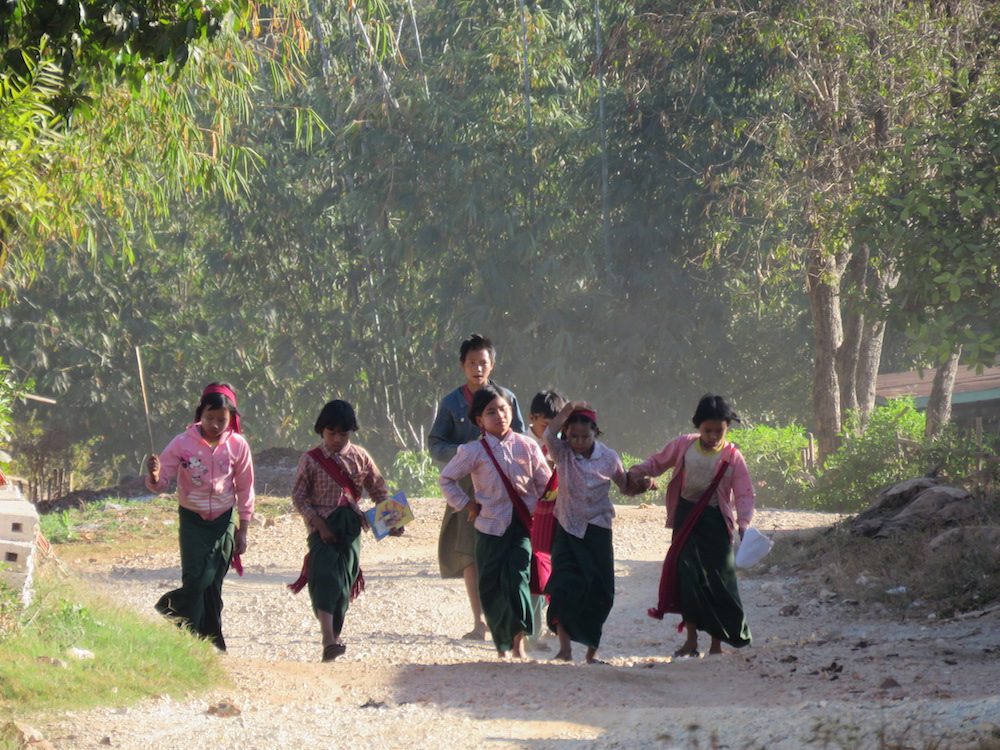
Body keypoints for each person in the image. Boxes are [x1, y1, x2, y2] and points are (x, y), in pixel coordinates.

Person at [627, 394, 754, 658]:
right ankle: (691, 641)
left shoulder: (733, 457)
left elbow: (744, 494)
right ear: (698, 426)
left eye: (719, 431)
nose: (713, 436)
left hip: (716, 522)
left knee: (718, 582)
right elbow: (657, 462)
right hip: (686, 519)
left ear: (727, 428)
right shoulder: (684, 445)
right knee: (689, 579)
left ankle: (716, 645)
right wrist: (637, 472)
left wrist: (743, 524)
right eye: (708, 430)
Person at [439, 384, 550, 659]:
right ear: (479, 420)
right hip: (488, 529)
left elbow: (545, 484)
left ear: (511, 411)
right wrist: (466, 504)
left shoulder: (527, 446)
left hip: (522, 528)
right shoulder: (472, 451)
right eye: (491, 412)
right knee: (491, 589)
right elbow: (447, 479)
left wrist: (544, 511)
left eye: (503, 409)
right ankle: (502, 646)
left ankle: (518, 645)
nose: (499, 416)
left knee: (518, 580)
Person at [428, 334, 526, 640]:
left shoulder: (507, 398)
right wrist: (465, 454)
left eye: (483, 362)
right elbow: (435, 444)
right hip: (466, 489)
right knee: (471, 554)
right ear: (462, 365)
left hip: (504, 489)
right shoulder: (451, 402)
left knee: (509, 550)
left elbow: (522, 440)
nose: (477, 369)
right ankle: (479, 622)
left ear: (492, 364)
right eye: (471, 363)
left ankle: (511, 620)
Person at [289, 399, 401, 663]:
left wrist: (393, 522)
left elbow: (379, 490)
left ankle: (334, 638)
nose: (337, 439)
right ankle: (328, 639)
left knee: (344, 582)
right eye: (331, 433)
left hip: (351, 528)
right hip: (321, 528)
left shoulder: (361, 456)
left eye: (343, 434)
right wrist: (319, 525)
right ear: (321, 431)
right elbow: (299, 497)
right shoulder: (310, 460)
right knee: (324, 578)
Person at [146, 382, 255, 651]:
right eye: (209, 418)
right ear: (199, 415)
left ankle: (209, 642)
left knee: (213, 582)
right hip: (192, 520)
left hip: (223, 520)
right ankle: (174, 611)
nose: (215, 425)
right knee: (196, 579)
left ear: (231, 418)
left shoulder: (238, 445)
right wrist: (155, 476)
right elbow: (161, 482)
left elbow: (245, 487)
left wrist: (243, 528)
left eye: (221, 419)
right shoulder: (182, 443)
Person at [543, 401, 632, 664]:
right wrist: (566, 410)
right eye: (573, 436)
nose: (579, 442)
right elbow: (548, 434)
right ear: (566, 434)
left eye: (585, 436)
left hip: (597, 530)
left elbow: (626, 486)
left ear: (596, 432)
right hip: (567, 528)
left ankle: (592, 653)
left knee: (599, 591)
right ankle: (565, 650)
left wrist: (644, 484)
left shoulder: (609, 457)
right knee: (564, 587)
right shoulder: (561, 453)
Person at [524, 389, 567, 651]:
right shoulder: (520, 444)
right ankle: (529, 633)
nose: (552, 432)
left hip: (557, 516)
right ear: (532, 419)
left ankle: (544, 627)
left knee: (552, 571)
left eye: (557, 427)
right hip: (530, 517)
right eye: (546, 426)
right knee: (534, 574)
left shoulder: (565, 444)